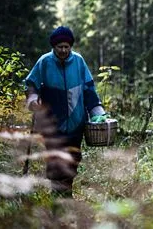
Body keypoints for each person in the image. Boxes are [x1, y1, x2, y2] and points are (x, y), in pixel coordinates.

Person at [25, 26, 107, 197]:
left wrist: (97, 113)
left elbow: (89, 90)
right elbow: (31, 84)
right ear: (53, 47)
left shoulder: (79, 61)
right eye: (60, 46)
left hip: (76, 123)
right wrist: (33, 99)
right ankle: (58, 196)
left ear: (71, 46)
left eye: (66, 46)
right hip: (52, 125)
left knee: (72, 160)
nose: (63, 50)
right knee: (55, 161)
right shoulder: (44, 62)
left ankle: (66, 192)